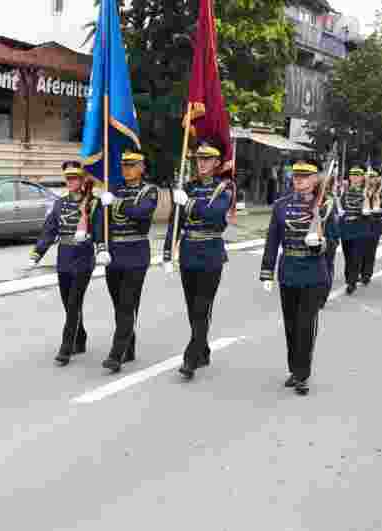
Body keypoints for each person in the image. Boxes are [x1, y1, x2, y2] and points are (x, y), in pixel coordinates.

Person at [259, 160, 335, 395]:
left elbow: (334, 238)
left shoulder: (325, 205)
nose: (299, 180)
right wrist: (267, 271)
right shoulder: (281, 205)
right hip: (289, 269)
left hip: (312, 272)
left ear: (315, 180)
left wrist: (321, 244)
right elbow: (272, 239)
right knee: (291, 325)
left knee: (306, 325)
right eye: (296, 176)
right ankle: (294, 368)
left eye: (305, 176)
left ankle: (302, 373)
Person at [163, 140, 232, 381]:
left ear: (216, 163)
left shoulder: (224, 189)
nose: (201, 163)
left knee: (202, 308)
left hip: (211, 254)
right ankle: (202, 350)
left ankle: (190, 358)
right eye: (199, 160)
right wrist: (167, 254)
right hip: (189, 253)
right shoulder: (188, 188)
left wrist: (188, 203)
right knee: (193, 308)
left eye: (207, 160)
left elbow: (215, 216)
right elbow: (176, 223)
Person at [93, 151, 159, 374]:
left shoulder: (149, 191)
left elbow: (141, 212)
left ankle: (116, 354)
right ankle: (128, 347)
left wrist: (116, 204)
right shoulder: (115, 189)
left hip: (136, 253)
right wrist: (101, 246)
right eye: (124, 165)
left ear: (141, 167)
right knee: (119, 305)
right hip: (114, 255)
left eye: (131, 165)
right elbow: (100, 220)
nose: (126, 169)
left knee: (127, 304)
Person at [30, 160, 97, 366]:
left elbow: (100, 229)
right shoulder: (60, 203)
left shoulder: (92, 202)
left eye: (74, 178)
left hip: (83, 256)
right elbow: (50, 229)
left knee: (74, 302)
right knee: (69, 303)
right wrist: (38, 251)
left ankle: (66, 348)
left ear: (82, 180)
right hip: (65, 257)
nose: (70, 181)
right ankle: (81, 337)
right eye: (68, 178)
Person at [337, 166, 371, 295]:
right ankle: (349, 277)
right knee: (348, 255)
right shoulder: (344, 192)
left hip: (360, 228)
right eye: (353, 175)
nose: (355, 178)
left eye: (358, 175)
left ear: (362, 178)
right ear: (350, 177)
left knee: (356, 256)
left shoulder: (366, 192)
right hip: (346, 228)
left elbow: (370, 213)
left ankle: (351, 282)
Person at [360, 166, 382, 284]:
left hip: (374, 225)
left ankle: (366, 274)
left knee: (370, 251)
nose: (371, 179)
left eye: (373, 177)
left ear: (378, 179)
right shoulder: (361, 190)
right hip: (360, 224)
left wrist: (377, 208)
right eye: (369, 176)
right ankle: (358, 272)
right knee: (359, 251)